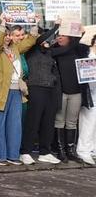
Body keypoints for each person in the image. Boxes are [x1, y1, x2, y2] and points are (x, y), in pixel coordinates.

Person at [0, 19, 36, 165]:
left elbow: (29, 42)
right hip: (0, 91)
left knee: (14, 124)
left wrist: (35, 24)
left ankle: (13, 155)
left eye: (9, 35)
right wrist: (1, 24)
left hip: (16, 91)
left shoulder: (15, 48)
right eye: (5, 35)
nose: (8, 37)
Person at [20, 18, 62, 165]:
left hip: (50, 89)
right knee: (33, 120)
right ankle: (25, 151)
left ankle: (45, 151)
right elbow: (42, 38)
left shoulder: (49, 52)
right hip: (36, 88)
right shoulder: (32, 50)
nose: (48, 42)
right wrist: (56, 26)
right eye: (45, 40)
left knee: (48, 122)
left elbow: (66, 48)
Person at [52, 31, 89, 162]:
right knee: (59, 121)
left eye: (63, 36)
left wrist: (79, 32)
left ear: (70, 37)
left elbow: (86, 47)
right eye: (58, 36)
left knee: (72, 123)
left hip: (76, 92)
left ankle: (70, 150)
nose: (59, 38)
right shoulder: (55, 51)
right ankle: (60, 150)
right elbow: (53, 52)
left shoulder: (78, 50)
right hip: (61, 92)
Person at [76, 34, 96, 164]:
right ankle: (83, 150)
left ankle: (93, 149)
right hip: (89, 93)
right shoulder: (86, 53)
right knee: (88, 122)